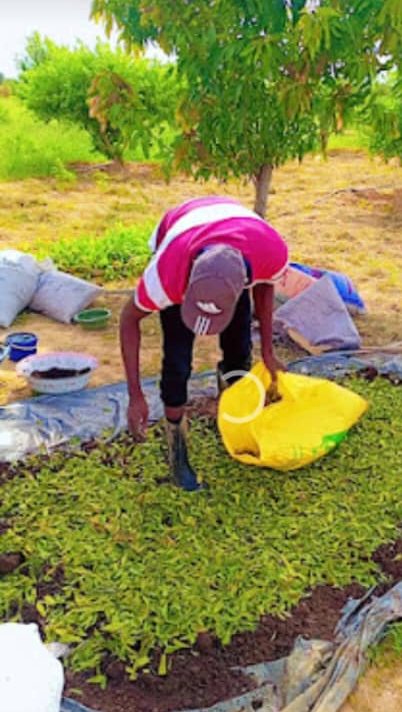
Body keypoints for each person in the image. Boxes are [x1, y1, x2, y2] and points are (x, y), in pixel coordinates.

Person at [120, 195, 289, 491]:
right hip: (180, 236)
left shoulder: (270, 253)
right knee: (177, 361)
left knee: (239, 351)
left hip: (242, 239)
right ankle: (177, 446)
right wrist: (135, 395)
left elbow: (264, 287)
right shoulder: (167, 275)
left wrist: (268, 352)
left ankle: (231, 416)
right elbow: (128, 319)